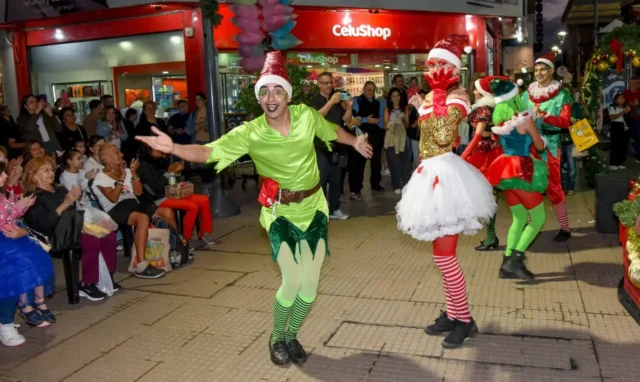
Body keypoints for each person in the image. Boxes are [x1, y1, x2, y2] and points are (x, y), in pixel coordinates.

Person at [136, 51, 372, 366]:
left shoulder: (306, 115)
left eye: (276, 90)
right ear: (258, 98)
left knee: (310, 288)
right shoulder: (250, 132)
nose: (270, 97)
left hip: (313, 208)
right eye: (263, 92)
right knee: (291, 281)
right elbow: (209, 151)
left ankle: (291, 335)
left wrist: (353, 142)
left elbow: (331, 132)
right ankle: (277, 335)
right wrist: (175, 148)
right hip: (279, 212)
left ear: (287, 95)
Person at [396, 35, 496, 349]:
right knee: (441, 257)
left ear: (452, 67)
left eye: (442, 63)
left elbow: (442, 137)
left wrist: (436, 95)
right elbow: (425, 133)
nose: (436, 67)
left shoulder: (459, 96)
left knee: (446, 258)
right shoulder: (433, 96)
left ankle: (465, 320)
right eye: (432, 63)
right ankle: (454, 314)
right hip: (428, 174)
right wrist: (422, 101)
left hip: (446, 179)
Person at [25, 156, 119, 301]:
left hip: (73, 228)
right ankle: (88, 283)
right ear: (34, 175)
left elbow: (73, 212)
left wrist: (74, 201)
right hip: (53, 235)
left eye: (51, 169)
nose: (51, 173)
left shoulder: (60, 189)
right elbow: (43, 225)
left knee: (109, 235)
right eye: (45, 170)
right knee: (91, 240)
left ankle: (107, 277)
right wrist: (66, 204)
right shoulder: (33, 197)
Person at [483, 78, 548, 279]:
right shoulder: (525, 119)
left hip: (505, 170)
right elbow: (539, 146)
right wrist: (541, 134)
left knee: (519, 218)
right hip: (522, 169)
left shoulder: (502, 121)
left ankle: (506, 264)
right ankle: (515, 261)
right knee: (538, 218)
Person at [92, 143, 177, 279]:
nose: (121, 155)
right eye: (117, 153)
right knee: (143, 218)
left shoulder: (125, 171)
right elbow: (113, 198)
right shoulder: (100, 178)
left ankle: (174, 249)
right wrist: (121, 178)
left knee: (167, 212)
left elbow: (138, 192)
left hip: (133, 203)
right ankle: (141, 265)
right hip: (116, 209)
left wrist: (133, 173)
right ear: (106, 158)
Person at [0, 161, 56, 337]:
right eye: (1, 173)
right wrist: (18, 207)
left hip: (12, 232)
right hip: (4, 238)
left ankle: (39, 301)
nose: (5, 176)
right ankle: (20, 309)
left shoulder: (3, 193)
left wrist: (21, 206)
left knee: (37, 260)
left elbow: (10, 212)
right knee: (18, 266)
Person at [522, 53, 572, 242]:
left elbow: (566, 121)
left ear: (551, 71)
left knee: (554, 186)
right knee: (529, 184)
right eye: (536, 70)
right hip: (529, 146)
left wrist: (543, 115)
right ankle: (530, 223)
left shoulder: (562, 94)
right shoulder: (527, 94)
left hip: (550, 146)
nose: (539, 73)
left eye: (543, 69)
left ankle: (565, 228)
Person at [461, 76, 505, 251]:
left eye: (476, 89)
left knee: (489, 198)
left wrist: (464, 156)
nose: (473, 92)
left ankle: (491, 237)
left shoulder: (484, 108)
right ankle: (491, 237)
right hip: (486, 152)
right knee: (489, 198)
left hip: (485, 155)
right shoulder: (483, 106)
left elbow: (479, 134)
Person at [138, 146, 213, 242]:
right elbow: (156, 188)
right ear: (149, 150)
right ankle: (185, 239)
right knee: (192, 206)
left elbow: (172, 179)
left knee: (204, 200)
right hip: (159, 198)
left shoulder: (161, 160)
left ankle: (204, 232)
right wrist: (170, 172)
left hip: (172, 192)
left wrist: (177, 172)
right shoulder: (144, 166)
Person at [307, 72, 352, 220]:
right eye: (325, 83)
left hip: (336, 145)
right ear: (319, 84)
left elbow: (346, 120)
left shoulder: (338, 101)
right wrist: (331, 102)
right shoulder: (315, 101)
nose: (328, 86)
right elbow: (316, 117)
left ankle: (335, 208)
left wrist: (349, 107)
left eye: (330, 83)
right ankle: (318, 210)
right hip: (321, 146)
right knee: (321, 178)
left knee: (336, 179)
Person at [351, 81, 384, 196]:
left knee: (376, 162)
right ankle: (356, 188)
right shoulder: (357, 100)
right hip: (361, 134)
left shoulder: (377, 103)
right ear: (363, 89)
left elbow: (379, 118)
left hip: (375, 134)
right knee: (359, 162)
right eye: (369, 89)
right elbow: (353, 117)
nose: (371, 92)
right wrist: (366, 120)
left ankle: (375, 184)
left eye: (373, 90)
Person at [383, 88, 410, 194]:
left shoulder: (405, 109)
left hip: (403, 139)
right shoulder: (387, 110)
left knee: (405, 163)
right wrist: (392, 124)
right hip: (391, 139)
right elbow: (385, 125)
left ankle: (406, 184)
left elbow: (407, 126)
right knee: (394, 164)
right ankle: (396, 185)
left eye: (397, 96)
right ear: (390, 98)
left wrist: (403, 121)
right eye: (393, 96)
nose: (396, 98)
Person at [608, 93, 632, 170]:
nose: (622, 99)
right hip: (616, 126)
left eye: (623, 98)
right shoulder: (613, 107)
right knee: (615, 146)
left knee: (623, 146)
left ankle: (620, 162)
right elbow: (612, 117)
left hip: (625, 128)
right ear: (616, 100)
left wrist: (628, 112)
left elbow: (629, 119)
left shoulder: (626, 108)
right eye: (620, 98)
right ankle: (613, 163)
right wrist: (623, 112)